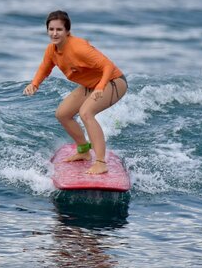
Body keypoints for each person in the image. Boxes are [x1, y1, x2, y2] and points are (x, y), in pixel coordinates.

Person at [23, 11, 127, 175]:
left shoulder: (79, 48)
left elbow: (108, 65)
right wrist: (34, 84)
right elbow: (45, 67)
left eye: (59, 29)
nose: (54, 33)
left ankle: (100, 162)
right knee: (62, 114)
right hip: (91, 84)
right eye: (51, 29)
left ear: (67, 31)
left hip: (113, 82)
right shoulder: (52, 50)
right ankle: (84, 150)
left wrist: (100, 87)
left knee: (86, 112)